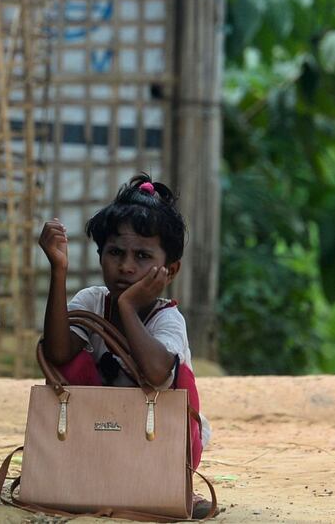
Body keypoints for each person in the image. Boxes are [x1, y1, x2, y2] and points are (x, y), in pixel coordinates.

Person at [38, 174, 213, 517]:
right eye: (115, 253)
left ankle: (176, 485)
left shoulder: (168, 318)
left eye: (143, 256)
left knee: (179, 376)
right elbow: (56, 355)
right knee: (69, 360)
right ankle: (90, 479)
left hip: (156, 446)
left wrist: (128, 308)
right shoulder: (92, 301)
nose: (126, 266)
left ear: (170, 269)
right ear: (101, 255)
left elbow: (158, 373)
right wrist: (58, 270)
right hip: (97, 440)